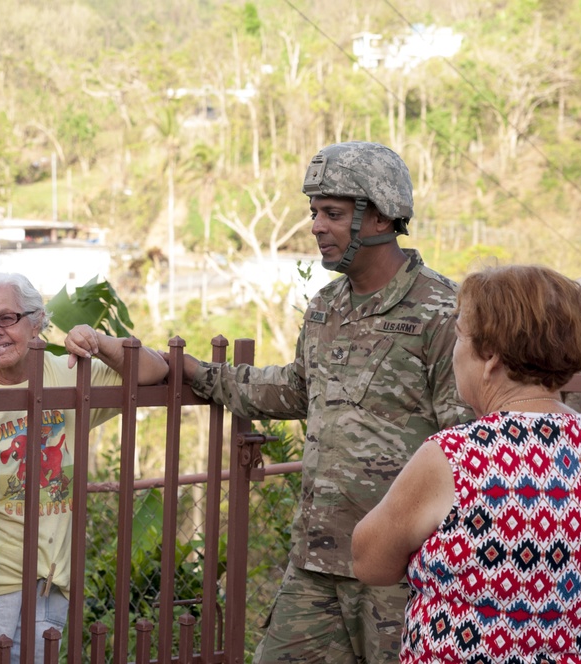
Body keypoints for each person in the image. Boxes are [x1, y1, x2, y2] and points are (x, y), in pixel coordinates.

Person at [174, 141, 471, 663]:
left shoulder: (441, 310)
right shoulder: (326, 306)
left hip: (399, 568)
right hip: (316, 560)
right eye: (314, 212)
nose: (315, 226)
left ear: (379, 216)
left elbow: (463, 443)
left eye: (332, 213)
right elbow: (295, 389)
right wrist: (193, 372)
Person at [352, 265, 581, 663]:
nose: (454, 352)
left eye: (459, 337)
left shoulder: (454, 456)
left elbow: (370, 562)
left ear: (490, 358)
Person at [0, 272, 168, 663]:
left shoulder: (66, 373)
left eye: (6, 318)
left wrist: (99, 343)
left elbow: (154, 373)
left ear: (37, 321)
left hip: (46, 586)